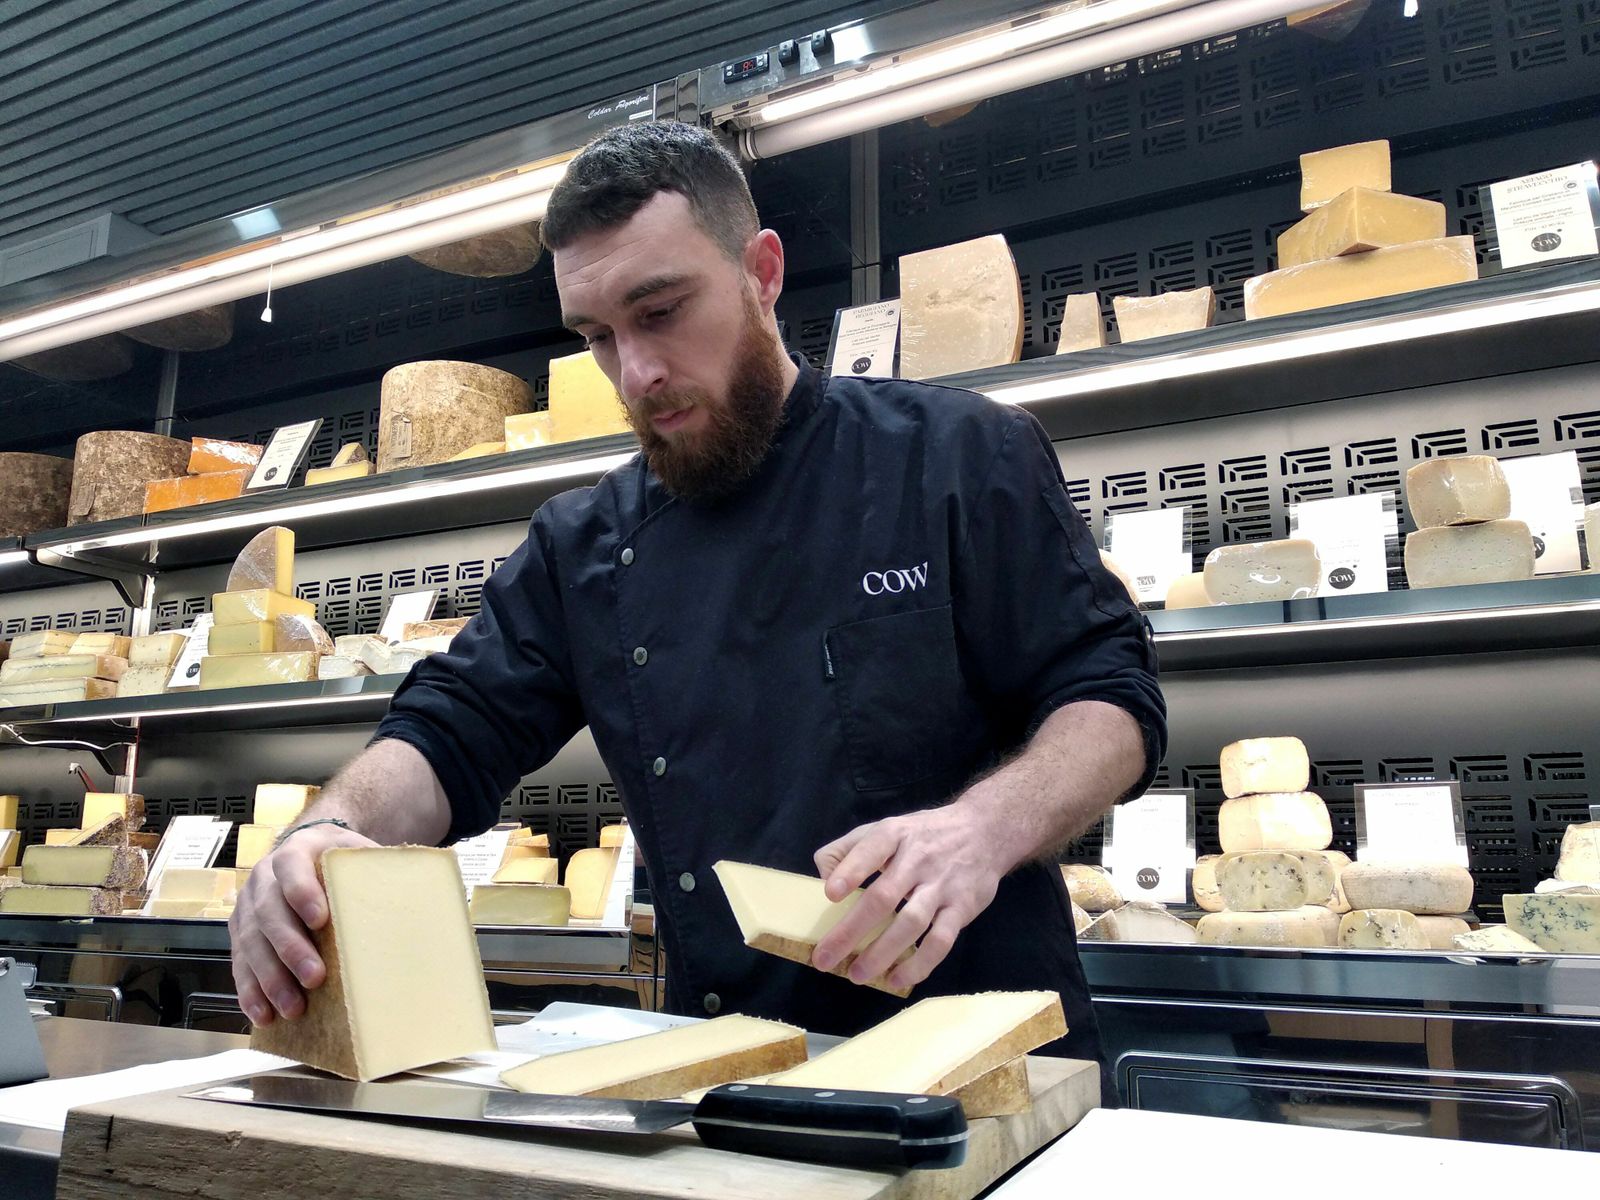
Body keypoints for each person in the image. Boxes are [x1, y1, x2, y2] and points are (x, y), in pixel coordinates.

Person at [230, 120, 1165, 1087]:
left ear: (761, 272)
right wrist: (325, 835)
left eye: (662, 311)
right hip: (730, 1087)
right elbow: (451, 729)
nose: (636, 374)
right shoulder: (580, 544)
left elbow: (1110, 699)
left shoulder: (956, 455)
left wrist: (980, 830)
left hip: (990, 1072)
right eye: (598, 338)